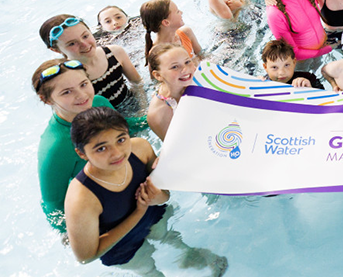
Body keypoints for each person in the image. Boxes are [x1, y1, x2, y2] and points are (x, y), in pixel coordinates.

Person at [64, 107, 228, 275]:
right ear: (82, 153)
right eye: (101, 148)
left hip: (151, 216)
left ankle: (188, 253)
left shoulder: (140, 149)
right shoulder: (81, 199)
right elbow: (86, 257)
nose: (117, 153)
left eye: (121, 139)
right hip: (119, 244)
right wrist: (138, 212)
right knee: (148, 269)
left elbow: (164, 194)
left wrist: (159, 197)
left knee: (167, 236)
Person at [32, 58, 135, 231]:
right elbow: (53, 205)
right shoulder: (55, 148)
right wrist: (72, 233)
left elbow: (127, 129)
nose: (82, 95)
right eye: (67, 92)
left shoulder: (99, 102)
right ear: (47, 100)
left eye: (84, 84)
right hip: (101, 208)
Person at [39, 15, 142, 110]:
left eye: (85, 36)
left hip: (132, 104)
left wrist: (142, 109)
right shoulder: (67, 76)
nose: (84, 44)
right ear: (56, 50)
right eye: (72, 43)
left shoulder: (115, 52)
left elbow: (137, 83)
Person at [146, 44, 196, 141]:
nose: (185, 69)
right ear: (158, 75)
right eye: (174, 67)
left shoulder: (201, 78)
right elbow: (177, 146)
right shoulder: (157, 114)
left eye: (187, 62)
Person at [140, 0, 203, 64]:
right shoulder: (157, 54)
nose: (181, 12)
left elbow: (202, 56)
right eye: (177, 12)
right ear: (166, 22)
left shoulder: (186, 33)